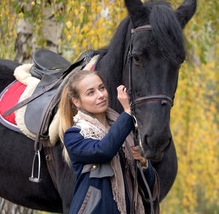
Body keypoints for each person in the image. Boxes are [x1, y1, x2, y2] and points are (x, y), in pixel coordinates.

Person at [59, 70, 159, 214]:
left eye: (101, 88)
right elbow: (103, 150)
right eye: (90, 93)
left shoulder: (125, 132)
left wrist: (143, 163)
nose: (100, 95)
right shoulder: (74, 135)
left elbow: (146, 186)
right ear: (77, 102)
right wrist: (127, 113)